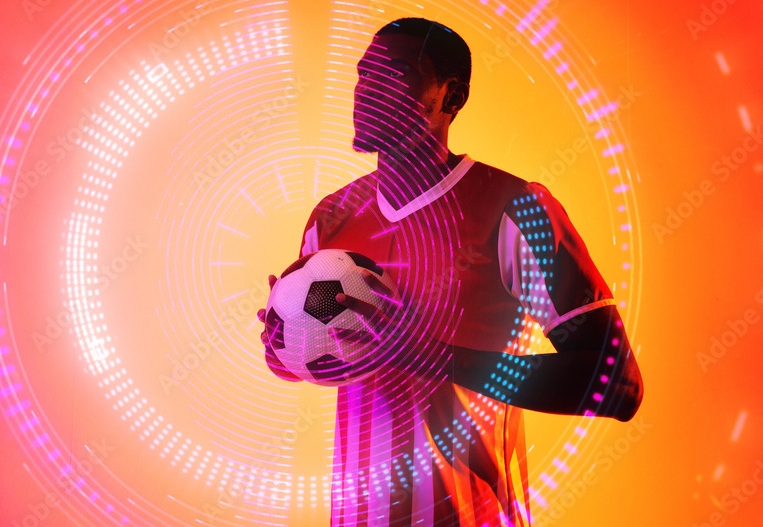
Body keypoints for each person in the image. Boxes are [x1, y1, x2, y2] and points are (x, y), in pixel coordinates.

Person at [256, 17, 643, 526]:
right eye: (362, 75)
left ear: (451, 96)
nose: (366, 91)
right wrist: (287, 343)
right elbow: (330, 362)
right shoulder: (331, 217)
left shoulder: (516, 208)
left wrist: (436, 359)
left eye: (391, 75)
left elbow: (617, 386)